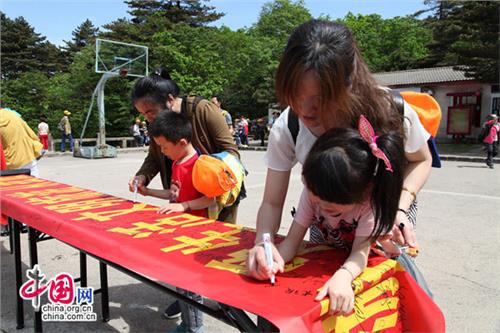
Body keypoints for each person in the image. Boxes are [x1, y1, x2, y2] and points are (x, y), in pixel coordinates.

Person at [247, 20, 432, 276]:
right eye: (294, 96)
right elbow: (271, 202)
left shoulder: (390, 110)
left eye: (320, 99)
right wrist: (263, 244)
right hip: (327, 228)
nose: (304, 111)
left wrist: (399, 208)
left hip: (384, 226)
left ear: (349, 84)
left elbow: (422, 160)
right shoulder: (288, 126)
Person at [250, 117, 405, 315]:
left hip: (373, 264)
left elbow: (360, 253)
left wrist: (344, 275)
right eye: (318, 199)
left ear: (364, 191)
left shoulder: (368, 204)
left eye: (333, 203)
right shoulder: (312, 194)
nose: (322, 206)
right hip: (333, 257)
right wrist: (273, 260)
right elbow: (291, 242)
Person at [128, 68, 240, 320]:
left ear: (169, 100)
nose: (148, 119)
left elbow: (231, 153)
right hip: (181, 197)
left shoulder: (202, 110)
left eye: (150, 112)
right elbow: (154, 156)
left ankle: (229, 305)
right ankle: (189, 300)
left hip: (215, 195)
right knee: (185, 254)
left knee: (219, 252)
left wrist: (203, 173)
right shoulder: (161, 125)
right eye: (143, 115)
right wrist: (142, 177)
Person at [141, 110, 215, 333]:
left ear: (182, 142)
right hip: (179, 232)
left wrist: (184, 207)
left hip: (195, 235)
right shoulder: (177, 162)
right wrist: (149, 192)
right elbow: (174, 195)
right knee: (180, 282)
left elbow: (210, 199)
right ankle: (186, 323)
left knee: (190, 286)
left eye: (164, 147)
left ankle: (195, 328)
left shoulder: (199, 165)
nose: (162, 152)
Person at [0, 108, 43, 177]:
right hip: (27, 158)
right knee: (34, 186)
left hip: (8, 166)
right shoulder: (13, 115)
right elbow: (32, 135)